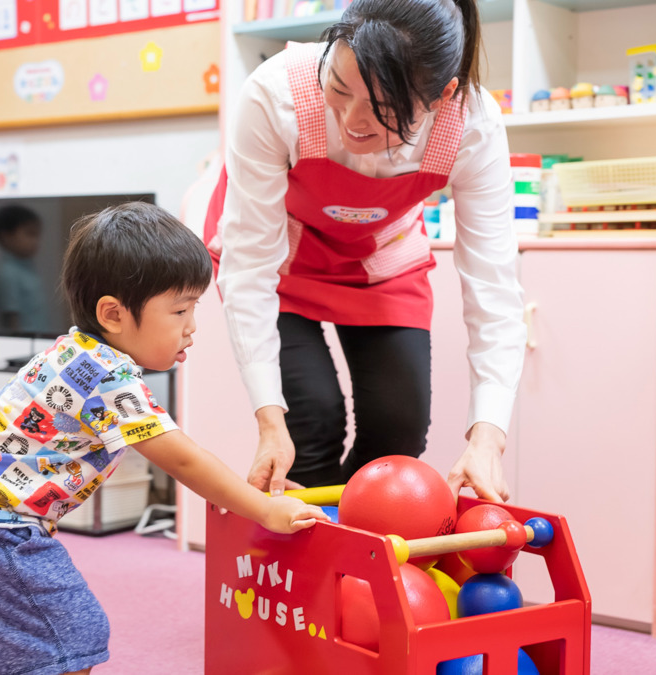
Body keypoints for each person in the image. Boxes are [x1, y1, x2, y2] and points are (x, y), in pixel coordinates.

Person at [0, 202, 326, 675]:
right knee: (72, 638)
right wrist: (264, 510)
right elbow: (183, 460)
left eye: (194, 308)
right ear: (112, 314)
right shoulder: (108, 377)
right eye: (179, 310)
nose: (191, 326)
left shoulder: (76, 351)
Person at [204, 0, 526, 502]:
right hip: (277, 256)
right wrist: (269, 420)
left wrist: (488, 438)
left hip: (380, 259)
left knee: (398, 433)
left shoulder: (473, 125)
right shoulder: (275, 93)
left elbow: (494, 289)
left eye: (383, 112)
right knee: (309, 422)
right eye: (338, 88)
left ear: (442, 96)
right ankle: (314, 570)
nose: (353, 122)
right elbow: (250, 267)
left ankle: (358, 554)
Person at [0, 203, 48, 335]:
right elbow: (11, 318)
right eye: (30, 234)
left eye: (37, 235)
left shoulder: (28, 269)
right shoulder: (7, 273)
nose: (36, 241)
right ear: (6, 236)